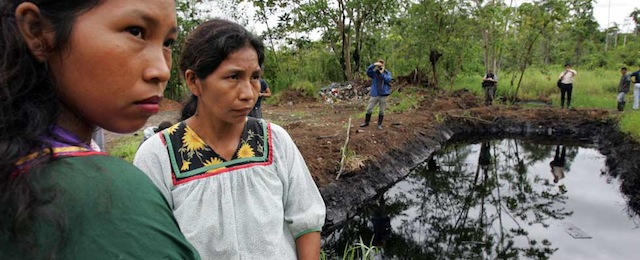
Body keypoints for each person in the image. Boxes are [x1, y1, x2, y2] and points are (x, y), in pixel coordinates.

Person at [0, 0, 200, 259]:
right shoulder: (111, 196)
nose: (161, 70)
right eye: (135, 31)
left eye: (167, 43)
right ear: (38, 31)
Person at [133, 19, 326, 260]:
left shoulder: (274, 141)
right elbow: (153, 247)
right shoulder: (159, 156)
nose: (248, 94)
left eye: (254, 77)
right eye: (233, 77)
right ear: (194, 81)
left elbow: (306, 220)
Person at [360, 60, 392, 130]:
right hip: (375, 94)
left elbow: (388, 79)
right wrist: (373, 64)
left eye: (381, 65)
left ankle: (379, 124)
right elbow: (368, 72)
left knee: (382, 110)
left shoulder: (387, 73)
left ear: (384, 65)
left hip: (383, 94)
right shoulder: (374, 73)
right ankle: (366, 122)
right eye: (379, 65)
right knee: (369, 109)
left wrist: (382, 73)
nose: (380, 66)